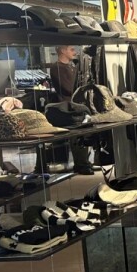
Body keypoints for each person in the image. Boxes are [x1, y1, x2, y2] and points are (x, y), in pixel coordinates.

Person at [46, 45, 93, 175]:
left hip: (75, 105)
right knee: (76, 134)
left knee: (81, 133)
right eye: (71, 49)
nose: (74, 52)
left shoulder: (72, 66)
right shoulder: (57, 68)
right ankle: (81, 164)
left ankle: (82, 162)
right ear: (63, 50)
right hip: (67, 107)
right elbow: (68, 88)